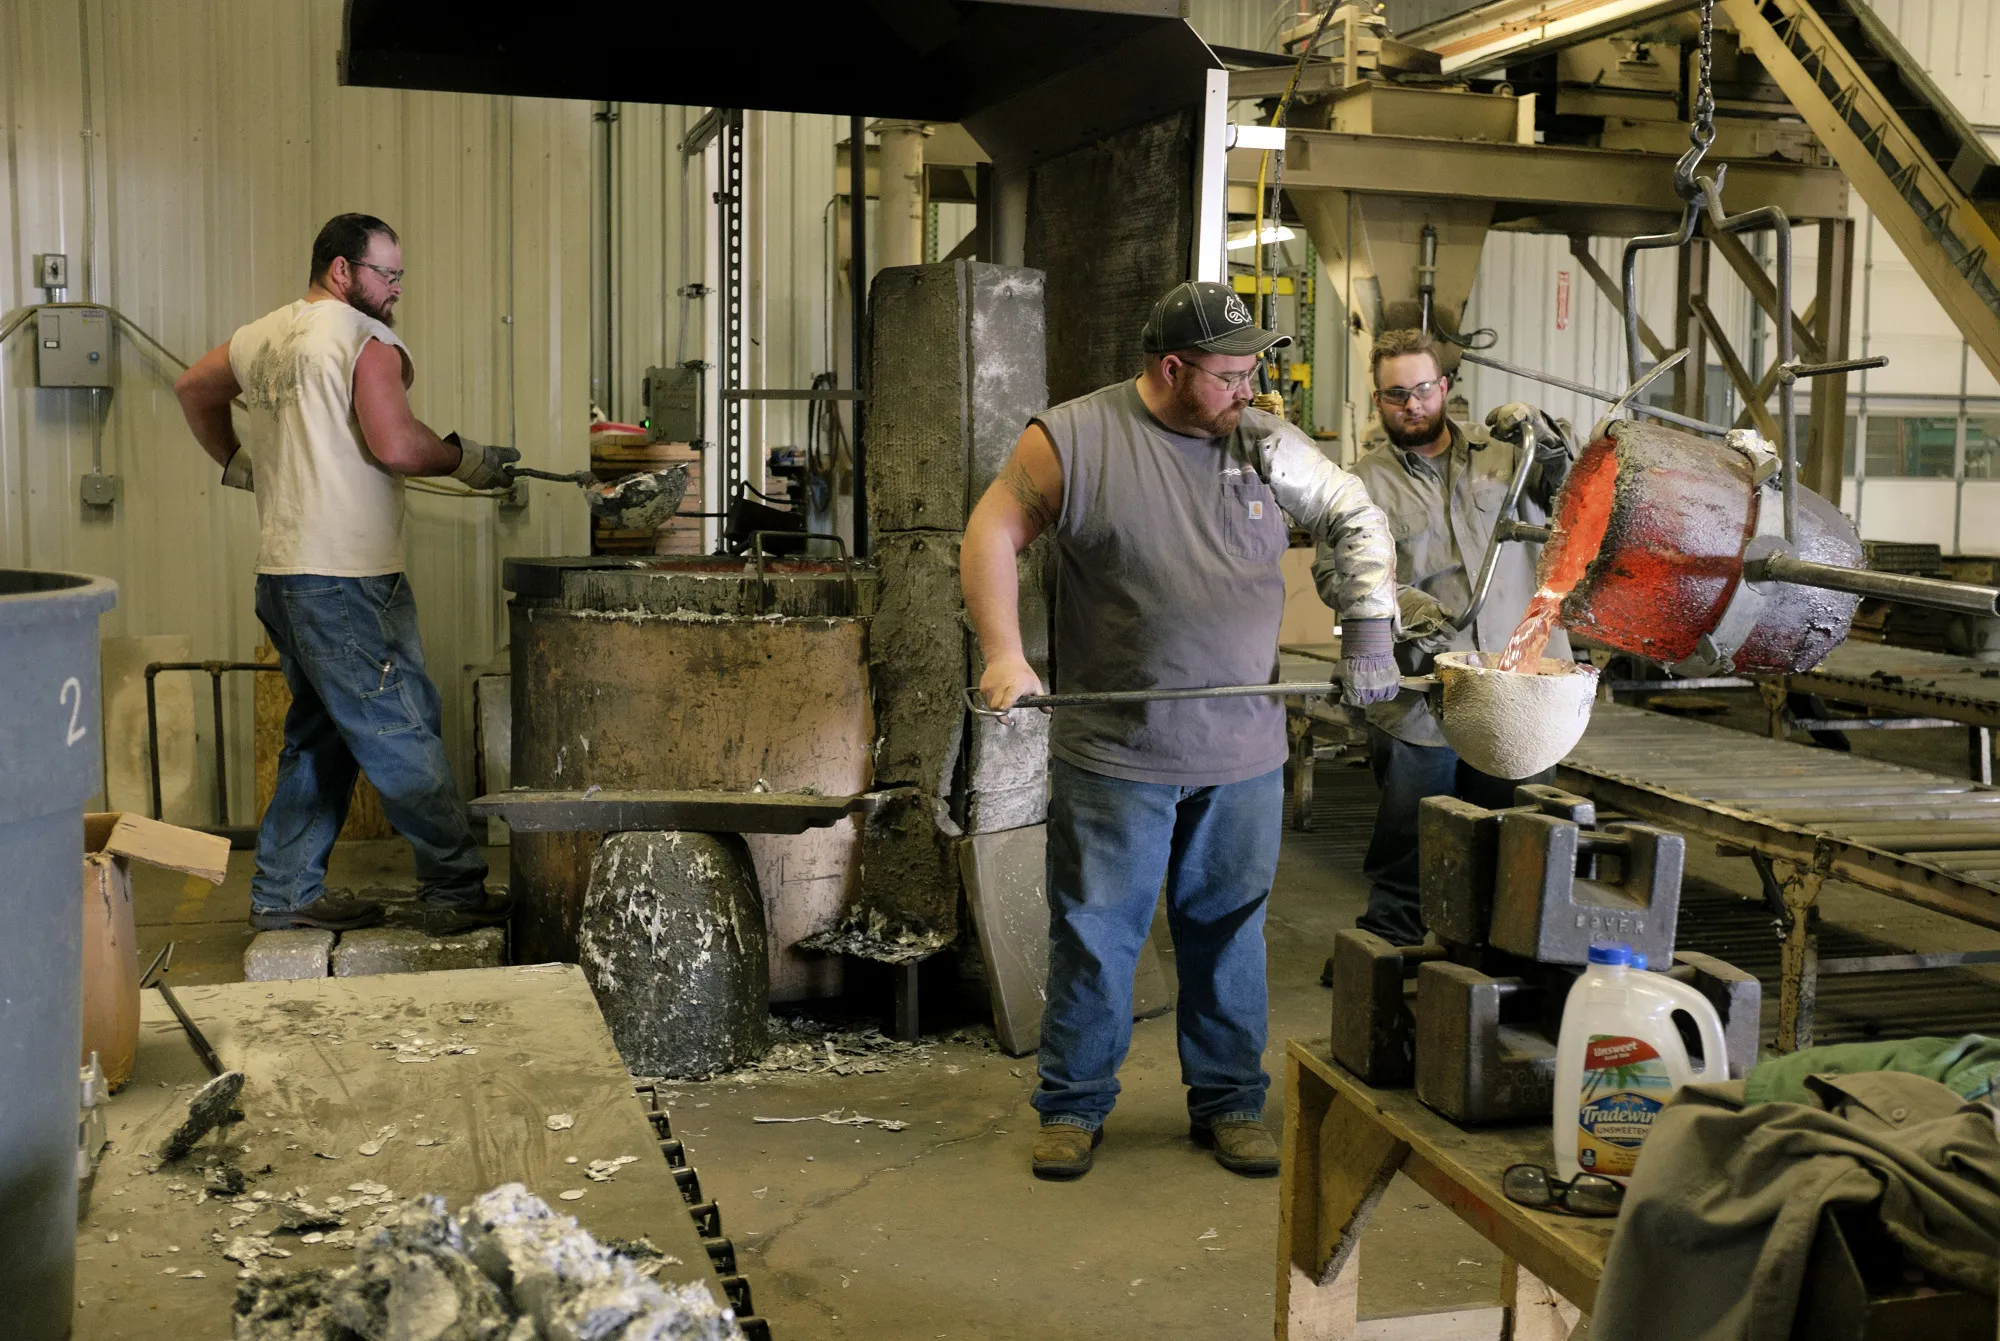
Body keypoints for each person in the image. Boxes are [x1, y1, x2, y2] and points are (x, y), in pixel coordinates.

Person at [963, 281, 1398, 1181]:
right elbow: (993, 530)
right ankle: (1074, 1106)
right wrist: (1005, 651)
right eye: (1233, 374)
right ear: (1172, 368)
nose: (1251, 390)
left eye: (1253, 371)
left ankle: (1231, 1102)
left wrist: (1368, 631)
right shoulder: (1074, 439)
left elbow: (1352, 512)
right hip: (1119, 751)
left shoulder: (1262, 442)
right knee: (1095, 933)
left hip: (1242, 751)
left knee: (1230, 932)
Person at [174, 213, 521, 935]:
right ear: (341, 270)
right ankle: (455, 888)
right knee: (401, 729)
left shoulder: (262, 336)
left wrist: (237, 462)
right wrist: (465, 458)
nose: (395, 290)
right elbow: (396, 444)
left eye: (398, 276)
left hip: (285, 573)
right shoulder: (365, 339)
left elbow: (192, 389)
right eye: (384, 274)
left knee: (322, 733)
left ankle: (283, 892)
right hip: (348, 577)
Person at [1339, 328, 1575, 949]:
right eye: (1395, 395)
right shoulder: (1361, 486)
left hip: (1520, 688)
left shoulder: (1508, 455)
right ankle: (1389, 967)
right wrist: (1399, 605)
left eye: (1421, 389)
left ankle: (1511, 965)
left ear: (1444, 387)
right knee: (1411, 847)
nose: (1410, 405)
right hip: (1424, 697)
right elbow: (1335, 571)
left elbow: (1576, 504)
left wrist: (1548, 446)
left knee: (1521, 840)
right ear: (1378, 398)